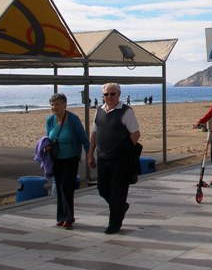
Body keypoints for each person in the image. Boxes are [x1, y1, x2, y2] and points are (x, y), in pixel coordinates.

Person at [88, 83, 141, 235]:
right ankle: (120, 207)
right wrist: (90, 154)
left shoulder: (126, 112)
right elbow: (94, 134)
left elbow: (135, 134)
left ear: (119, 95)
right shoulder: (99, 111)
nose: (109, 97)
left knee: (118, 192)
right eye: (106, 94)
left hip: (121, 161)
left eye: (113, 94)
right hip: (103, 158)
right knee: (103, 189)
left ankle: (114, 223)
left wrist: (124, 151)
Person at [46, 93, 89, 229]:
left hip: (71, 158)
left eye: (57, 104)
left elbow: (84, 139)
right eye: (52, 105)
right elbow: (48, 138)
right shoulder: (50, 120)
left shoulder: (73, 119)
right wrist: (46, 147)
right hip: (56, 159)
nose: (54, 107)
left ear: (65, 105)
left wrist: (89, 156)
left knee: (66, 187)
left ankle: (69, 217)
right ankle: (61, 216)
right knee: (58, 187)